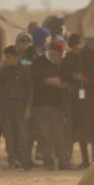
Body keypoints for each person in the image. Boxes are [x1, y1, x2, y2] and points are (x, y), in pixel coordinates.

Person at [61, 34, 94, 168]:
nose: (77, 49)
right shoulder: (69, 58)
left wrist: (85, 79)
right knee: (81, 130)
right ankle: (85, 160)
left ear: (82, 44)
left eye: (78, 46)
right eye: (74, 47)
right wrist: (72, 78)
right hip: (77, 100)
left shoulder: (92, 56)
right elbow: (64, 73)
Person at [31, 40, 71, 170]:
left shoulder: (63, 64)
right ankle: (48, 163)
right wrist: (49, 81)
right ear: (52, 52)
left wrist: (63, 84)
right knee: (44, 136)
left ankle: (64, 163)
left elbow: (67, 79)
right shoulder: (38, 62)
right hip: (41, 105)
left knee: (59, 136)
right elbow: (32, 80)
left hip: (58, 105)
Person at [0, 45, 34, 170]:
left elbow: (30, 91)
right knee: (9, 135)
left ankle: (25, 161)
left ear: (16, 57)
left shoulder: (25, 71)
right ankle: (13, 161)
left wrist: (28, 108)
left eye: (9, 57)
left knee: (22, 135)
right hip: (6, 106)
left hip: (20, 106)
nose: (7, 60)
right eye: (5, 57)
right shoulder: (4, 71)